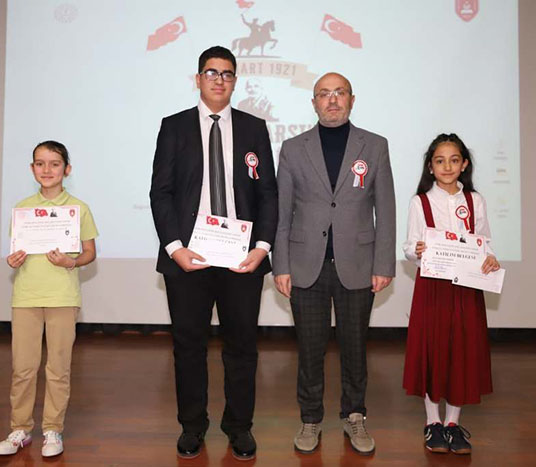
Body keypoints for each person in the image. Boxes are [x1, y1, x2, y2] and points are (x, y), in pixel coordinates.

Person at [149, 46, 277, 461]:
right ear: (198, 79)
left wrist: (262, 248)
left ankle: (239, 427)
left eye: (226, 73)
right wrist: (175, 248)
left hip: (242, 259)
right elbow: (160, 192)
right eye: (211, 72)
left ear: (235, 81)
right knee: (189, 347)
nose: (219, 80)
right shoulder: (174, 126)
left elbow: (268, 193)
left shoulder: (254, 128)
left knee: (242, 347)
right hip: (189, 257)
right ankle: (192, 426)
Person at [272, 72, 395, 455]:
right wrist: (281, 265)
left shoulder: (374, 145)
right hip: (305, 265)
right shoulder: (293, 148)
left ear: (351, 100)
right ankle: (310, 418)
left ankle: (354, 415)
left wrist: (384, 263)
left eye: (339, 92)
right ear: (314, 103)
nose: (332, 100)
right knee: (310, 350)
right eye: (324, 94)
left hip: (357, 264)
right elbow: (282, 213)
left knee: (354, 347)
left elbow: (385, 209)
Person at [0, 141, 98, 458]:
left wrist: (71, 262)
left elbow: (89, 253)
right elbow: (18, 251)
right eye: (40, 163)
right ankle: (20, 429)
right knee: (22, 368)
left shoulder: (78, 208)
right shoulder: (23, 209)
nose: (47, 170)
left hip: (62, 297)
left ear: (67, 169)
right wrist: (13, 260)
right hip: (26, 296)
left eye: (54, 164)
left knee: (58, 368)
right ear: (32, 169)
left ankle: (53, 429)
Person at [402, 133, 500, 455]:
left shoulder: (475, 201)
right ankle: (433, 422)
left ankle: (453, 424)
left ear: (464, 164)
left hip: (466, 287)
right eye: (440, 161)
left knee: (462, 351)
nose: (447, 166)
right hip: (433, 287)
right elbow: (409, 246)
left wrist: (490, 258)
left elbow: (484, 242)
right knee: (433, 349)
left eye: (454, 160)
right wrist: (416, 250)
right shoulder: (420, 202)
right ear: (430, 167)